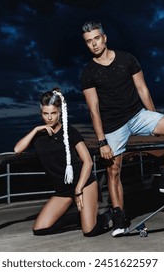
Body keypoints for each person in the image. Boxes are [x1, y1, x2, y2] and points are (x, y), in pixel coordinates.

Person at [80, 21, 164, 237]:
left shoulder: (127, 59)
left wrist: (154, 117)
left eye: (96, 39)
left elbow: (142, 89)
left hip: (138, 115)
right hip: (112, 125)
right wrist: (102, 142)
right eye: (88, 41)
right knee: (113, 171)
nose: (93, 44)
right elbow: (94, 110)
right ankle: (120, 218)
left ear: (104, 38)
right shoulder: (88, 72)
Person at [14, 88, 110, 237]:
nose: (49, 118)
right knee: (39, 229)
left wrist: (78, 189)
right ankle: (80, 218)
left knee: (89, 231)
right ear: (41, 113)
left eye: (53, 113)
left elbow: (88, 162)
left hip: (83, 184)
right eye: (45, 114)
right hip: (62, 191)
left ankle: (107, 216)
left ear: (60, 113)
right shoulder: (38, 136)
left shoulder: (69, 132)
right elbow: (17, 149)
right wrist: (36, 130)